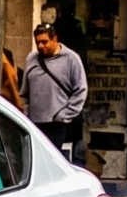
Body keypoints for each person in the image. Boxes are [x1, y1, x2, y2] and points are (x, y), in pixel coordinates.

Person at [21, 23, 87, 159]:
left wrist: (65, 115)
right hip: (34, 122)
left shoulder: (71, 59)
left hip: (57, 123)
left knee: (52, 160)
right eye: (37, 42)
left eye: (44, 42)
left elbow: (81, 89)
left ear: (54, 39)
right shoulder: (32, 58)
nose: (40, 46)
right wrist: (26, 111)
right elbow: (24, 91)